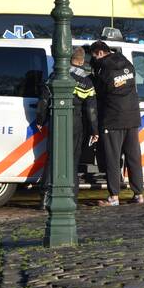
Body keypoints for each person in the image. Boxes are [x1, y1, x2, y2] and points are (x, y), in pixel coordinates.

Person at [36, 47, 99, 208]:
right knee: (72, 160)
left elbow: (44, 100)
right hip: (76, 123)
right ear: (82, 61)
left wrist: (40, 120)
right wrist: (94, 130)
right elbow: (91, 109)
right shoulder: (86, 81)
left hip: (56, 121)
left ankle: (44, 198)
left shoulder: (55, 75)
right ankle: (72, 198)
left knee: (52, 159)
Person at [90, 40, 144, 206]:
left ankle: (114, 196)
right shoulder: (126, 63)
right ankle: (139, 194)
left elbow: (99, 94)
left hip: (113, 119)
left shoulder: (103, 69)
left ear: (99, 53)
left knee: (112, 159)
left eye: (93, 56)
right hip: (132, 117)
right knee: (133, 157)